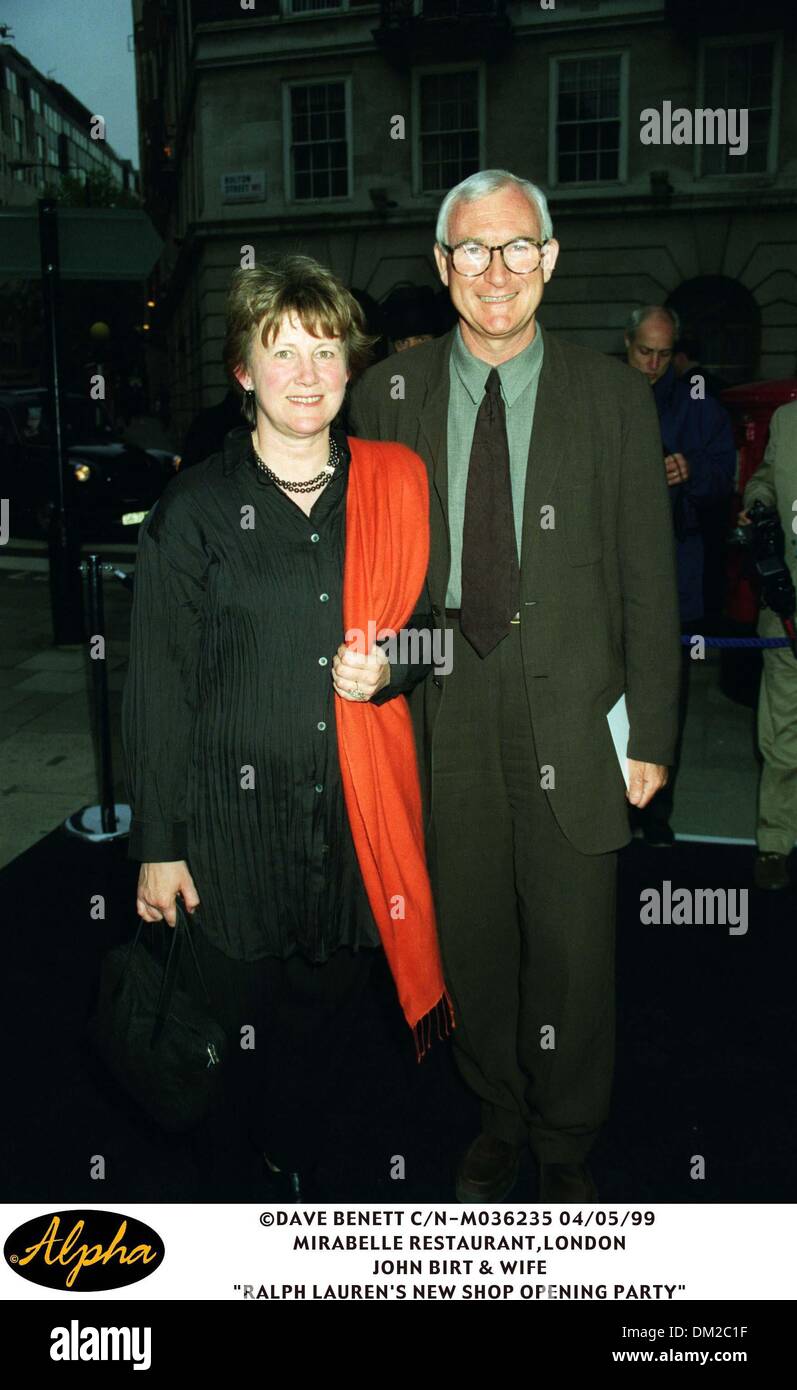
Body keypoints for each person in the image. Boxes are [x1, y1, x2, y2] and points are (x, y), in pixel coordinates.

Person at [348, 169, 682, 1203]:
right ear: (442, 267)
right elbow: (360, 574)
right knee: (473, 936)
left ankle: (565, 1138)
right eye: (472, 252)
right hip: (443, 698)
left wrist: (653, 736)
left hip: (576, 711)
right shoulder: (383, 399)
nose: (496, 273)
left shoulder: (614, 398)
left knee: (574, 948)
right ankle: (495, 1110)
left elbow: (647, 585)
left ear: (550, 258)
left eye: (517, 249)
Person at [121, 254, 449, 1200]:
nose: (306, 374)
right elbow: (158, 690)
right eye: (282, 353)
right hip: (228, 844)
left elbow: (450, 637)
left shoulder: (397, 487)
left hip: (353, 837)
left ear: (351, 366)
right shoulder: (193, 512)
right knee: (222, 1053)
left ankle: (294, 1171)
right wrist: (158, 845)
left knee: (321, 1037)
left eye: (324, 350)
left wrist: (395, 666)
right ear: (242, 373)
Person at [624, 305, 736, 845]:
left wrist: (690, 471)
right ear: (628, 345)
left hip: (675, 584)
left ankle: (657, 814)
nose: (653, 363)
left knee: (666, 700)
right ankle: (612, 805)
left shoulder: (697, 405)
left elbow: (724, 479)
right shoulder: (604, 395)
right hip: (612, 583)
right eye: (645, 351)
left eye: (664, 354)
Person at [740, 401, 797, 891]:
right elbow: (769, 476)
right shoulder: (787, 421)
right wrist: (760, 502)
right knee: (782, 736)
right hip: (788, 609)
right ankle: (775, 841)